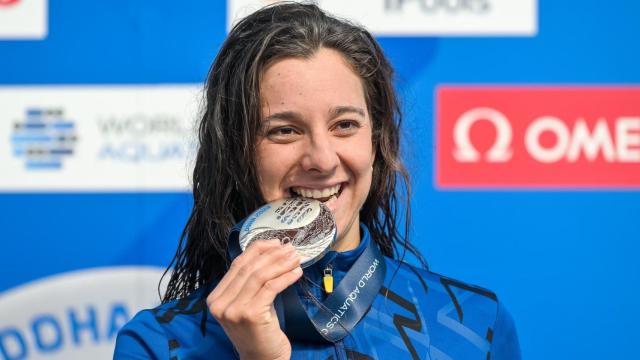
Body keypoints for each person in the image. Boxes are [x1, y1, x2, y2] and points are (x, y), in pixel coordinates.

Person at [114, 3, 521, 359]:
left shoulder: (475, 327)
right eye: (284, 131)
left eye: (344, 125)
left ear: (377, 142)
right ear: (236, 151)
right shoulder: (160, 344)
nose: (323, 160)